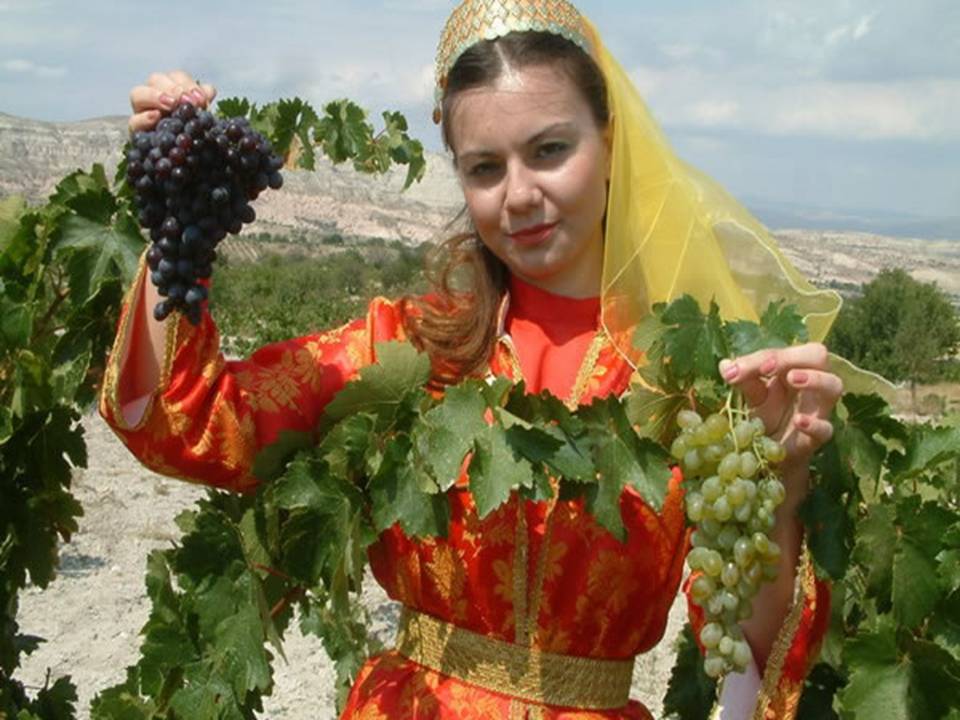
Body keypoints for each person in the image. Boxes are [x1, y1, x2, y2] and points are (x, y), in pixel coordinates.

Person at [103, 1, 845, 717]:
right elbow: (186, 420)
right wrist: (179, 216)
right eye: (485, 168)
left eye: (550, 150)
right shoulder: (408, 350)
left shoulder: (690, 386)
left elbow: (755, 651)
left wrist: (782, 478)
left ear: (611, 142)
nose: (518, 195)